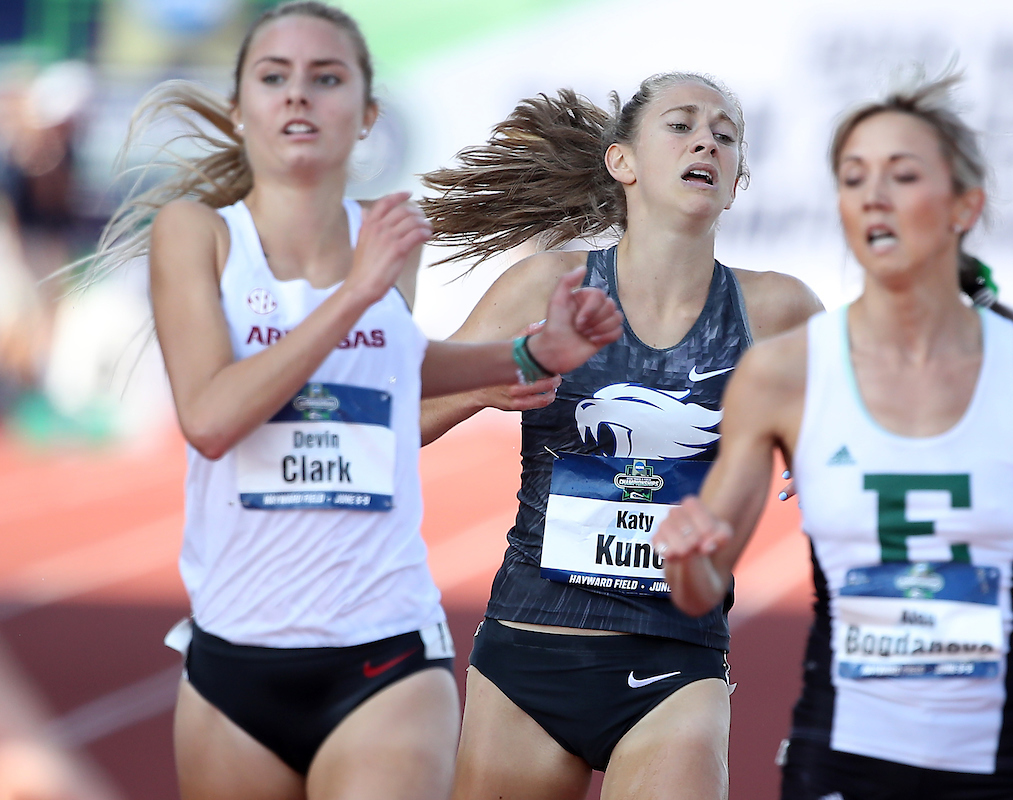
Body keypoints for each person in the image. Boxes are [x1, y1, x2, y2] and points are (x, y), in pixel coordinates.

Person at [81, 3, 622, 799]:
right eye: (275, 77)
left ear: (367, 115)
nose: (299, 94)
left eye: (326, 78)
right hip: (235, 657)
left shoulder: (386, 235)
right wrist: (353, 293)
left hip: (384, 646)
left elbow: (383, 374)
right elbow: (212, 420)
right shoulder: (197, 234)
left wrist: (523, 357)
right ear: (239, 109)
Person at [652, 69, 1013, 799]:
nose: (873, 195)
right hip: (842, 755)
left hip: (1002, 758)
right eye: (853, 178)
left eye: (902, 175)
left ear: (965, 205)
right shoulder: (785, 373)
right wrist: (684, 559)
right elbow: (703, 586)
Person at [418, 73, 822, 799]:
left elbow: (871, 439)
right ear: (622, 162)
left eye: (725, 135)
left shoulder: (777, 309)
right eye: (681, 125)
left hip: (676, 662)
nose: (706, 142)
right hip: (529, 648)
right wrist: (485, 386)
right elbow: (406, 419)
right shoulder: (548, 287)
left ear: (735, 185)